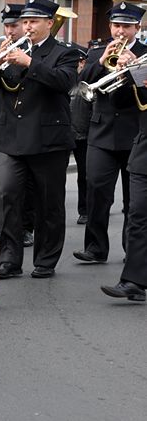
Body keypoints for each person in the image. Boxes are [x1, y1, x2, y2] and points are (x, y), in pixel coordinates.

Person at [0, 0, 80, 280]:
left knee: (48, 202)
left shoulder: (65, 52)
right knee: (8, 197)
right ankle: (10, 260)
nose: (26, 27)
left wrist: (28, 62)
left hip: (47, 139)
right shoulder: (12, 49)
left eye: (33, 21)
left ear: (50, 24)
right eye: (24, 21)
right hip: (11, 138)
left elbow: (64, 82)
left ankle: (45, 260)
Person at [74, 3, 146, 263]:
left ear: (137, 27)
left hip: (134, 133)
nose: (120, 31)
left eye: (126, 26)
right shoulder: (96, 52)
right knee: (96, 192)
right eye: (117, 25)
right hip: (101, 133)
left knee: (133, 200)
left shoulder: (145, 53)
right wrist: (104, 61)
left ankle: (132, 251)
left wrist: (135, 67)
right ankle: (95, 248)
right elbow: (85, 86)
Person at [0, 4, 36, 248]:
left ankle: (25, 226)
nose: (10, 31)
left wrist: (23, 61)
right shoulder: (3, 49)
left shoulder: (32, 53)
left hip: (26, 126)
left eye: (14, 25)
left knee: (25, 181)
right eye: (6, 26)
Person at [101, 51, 147, 302]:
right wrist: (126, 72)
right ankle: (133, 282)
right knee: (138, 215)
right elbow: (119, 103)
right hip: (143, 151)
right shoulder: (144, 65)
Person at [70, 50, 91, 225]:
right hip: (64, 135)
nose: (77, 65)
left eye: (79, 62)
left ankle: (84, 210)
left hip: (84, 136)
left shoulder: (88, 82)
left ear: (83, 63)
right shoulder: (65, 80)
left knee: (84, 175)